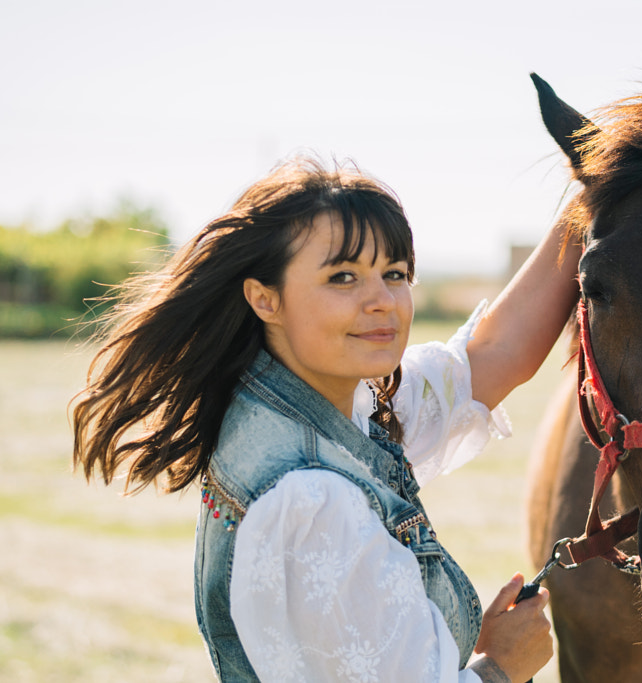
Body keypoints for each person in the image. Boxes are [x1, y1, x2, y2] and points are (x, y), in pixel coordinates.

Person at [71, 156, 582, 682]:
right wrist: (500, 667)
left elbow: (493, 354)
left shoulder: (329, 406)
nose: (382, 301)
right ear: (265, 299)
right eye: (343, 277)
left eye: (396, 274)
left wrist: (595, 190)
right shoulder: (310, 498)